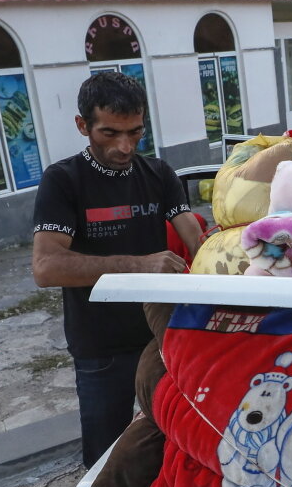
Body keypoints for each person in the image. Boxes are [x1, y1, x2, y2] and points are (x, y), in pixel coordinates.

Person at [32, 71, 204, 466]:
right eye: (110, 133)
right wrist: (140, 266)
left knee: (168, 443)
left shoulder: (159, 174)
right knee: (105, 456)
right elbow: (45, 267)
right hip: (101, 347)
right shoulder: (63, 181)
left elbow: (195, 238)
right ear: (82, 126)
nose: (125, 146)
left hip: (163, 339)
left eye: (135, 132)